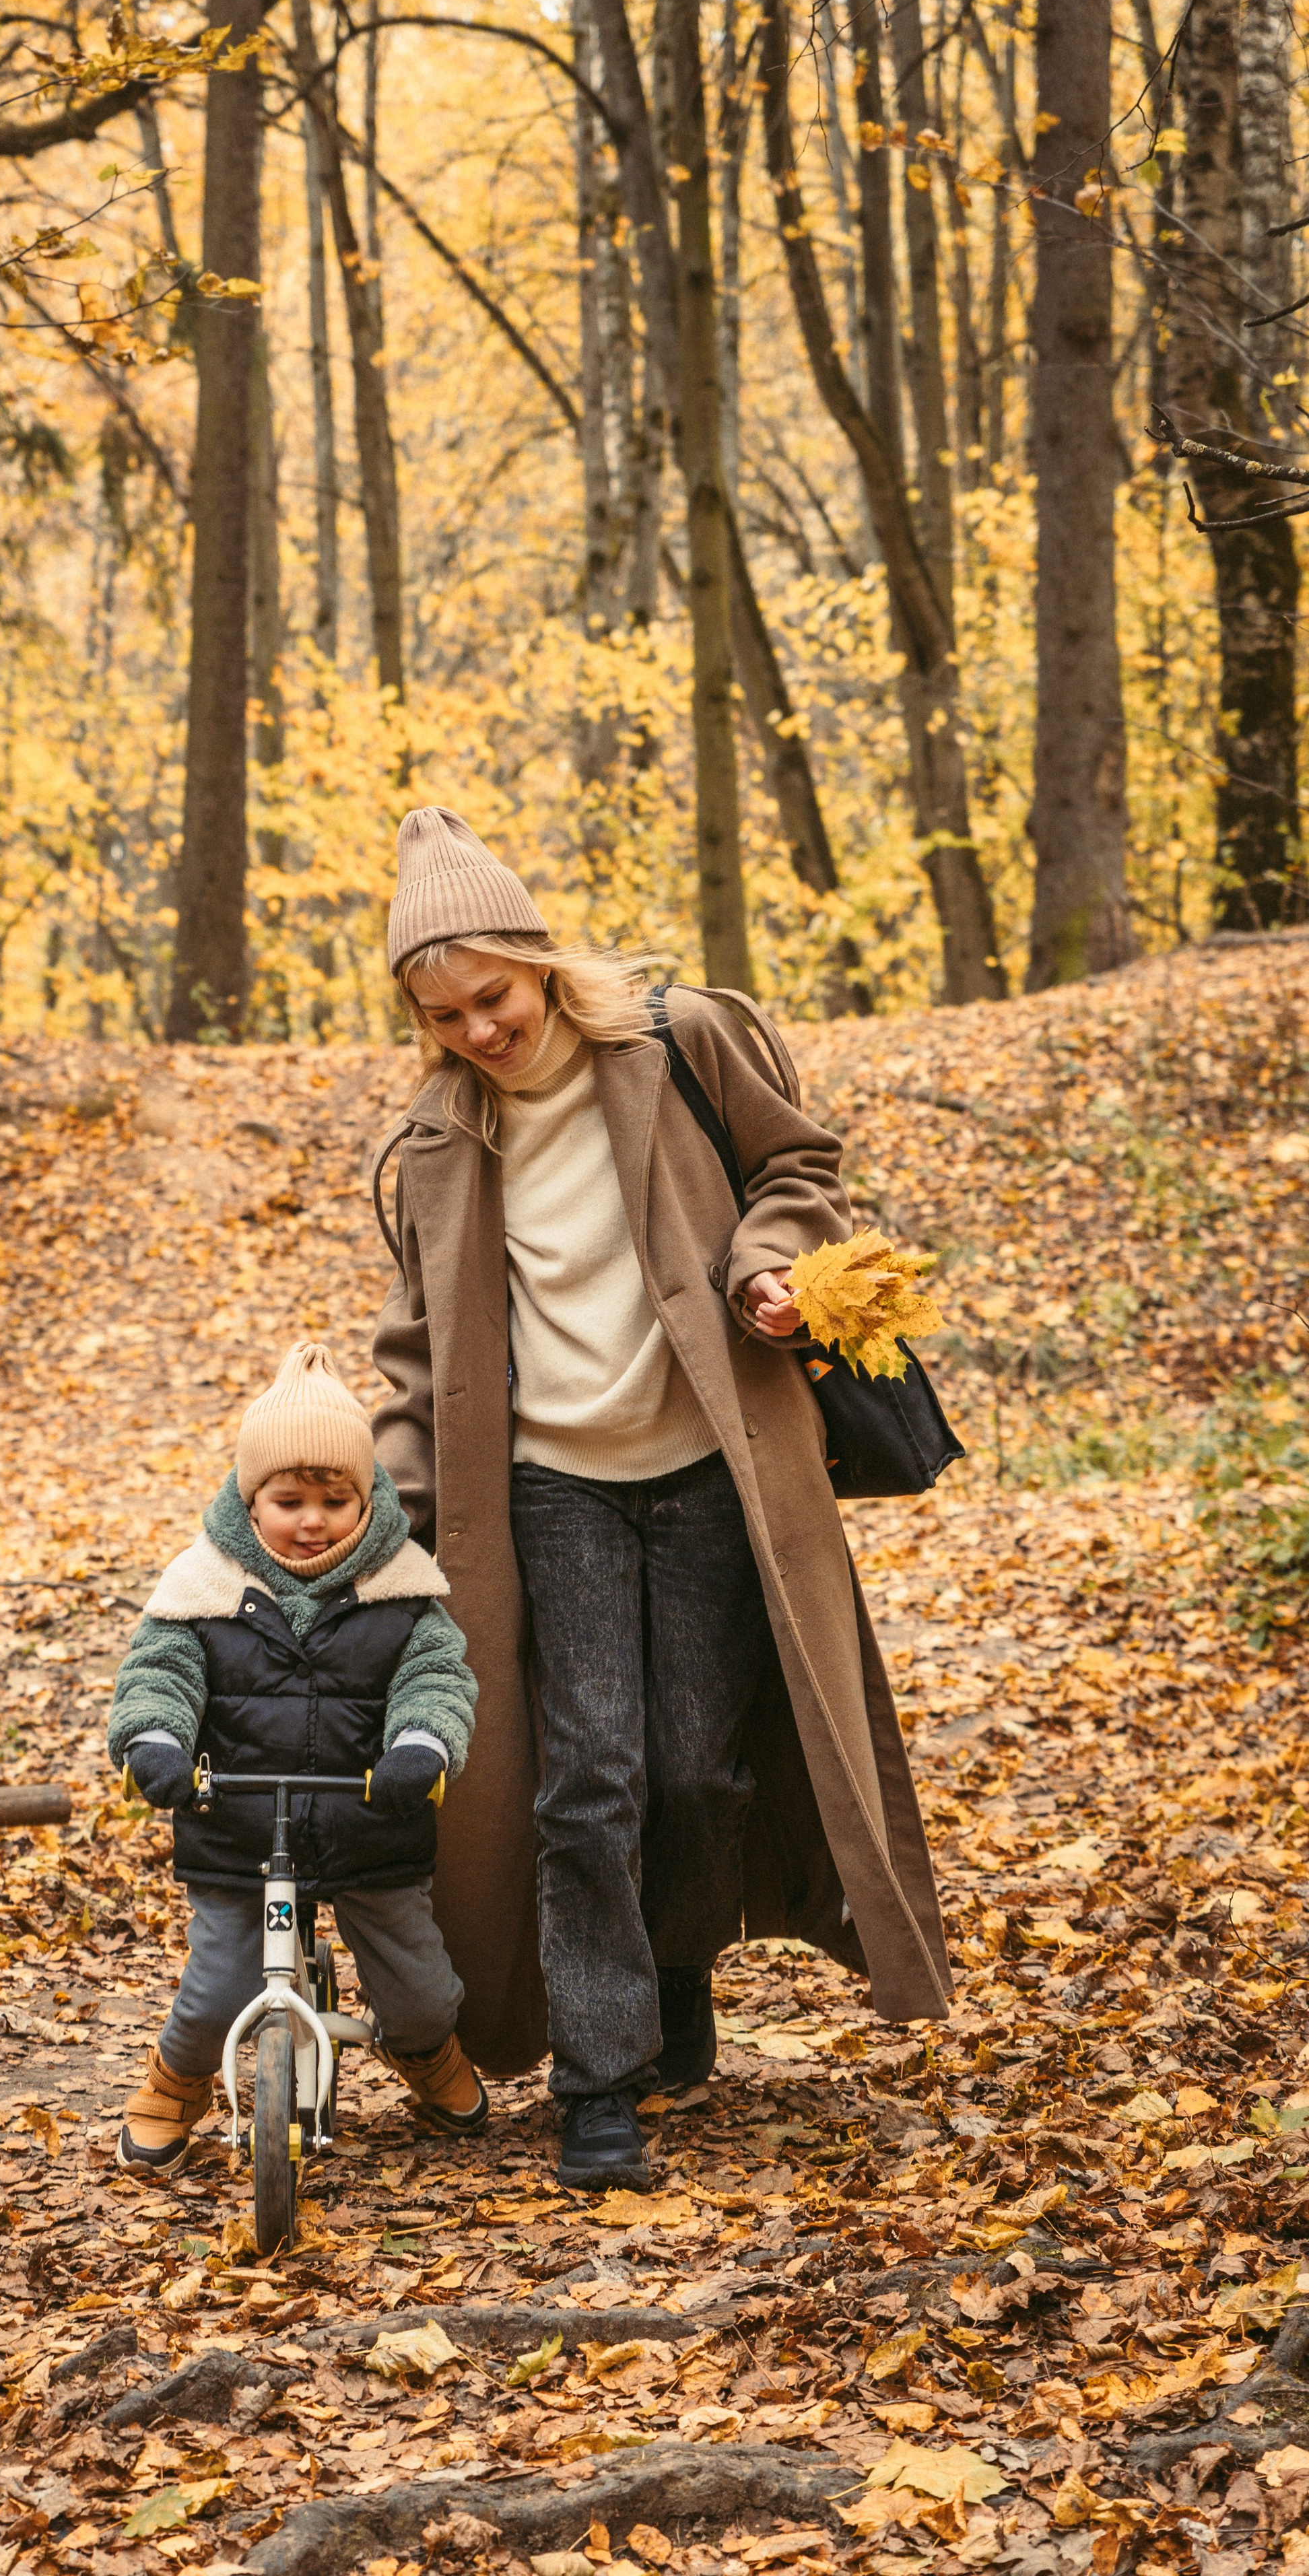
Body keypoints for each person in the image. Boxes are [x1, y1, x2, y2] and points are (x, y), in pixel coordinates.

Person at [370, 807, 951, 2194]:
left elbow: (797, 1168)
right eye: (441, 1015)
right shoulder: (439, 1137)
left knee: (696, 1770)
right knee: (586, 1780)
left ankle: (673, 1961)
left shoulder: (683, 1039)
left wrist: (765, 1262)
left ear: (538, 961)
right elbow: (412, 1346)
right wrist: (382, 1523)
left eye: (491, 997)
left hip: (707, 1469)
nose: (476, 1032)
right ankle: (599, 2082)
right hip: (547, 1490)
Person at [106, 1339, 487, 2173]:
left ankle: (426, 2054)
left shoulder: (402, 1591)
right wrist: (156, 1742)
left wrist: (420, 1748)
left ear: (367, 1499)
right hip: (237, 1830)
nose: (311, 1520)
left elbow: (436, 1682)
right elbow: (158, 1676)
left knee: (420, 1992)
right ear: (250, 1501)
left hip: (369, 1826)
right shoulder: (201, 1592)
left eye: (333, 1498)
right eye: (288, 1499)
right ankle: (179, 2077)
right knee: (214, 1995)